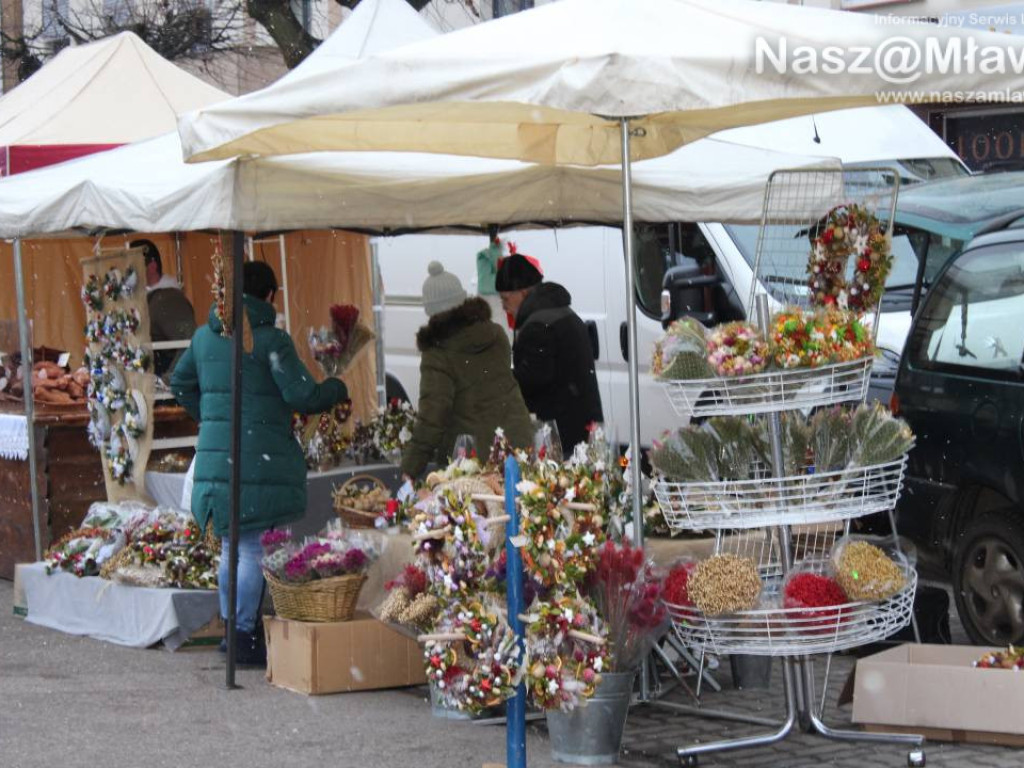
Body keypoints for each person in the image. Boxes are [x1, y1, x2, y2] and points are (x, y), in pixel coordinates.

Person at [171, 261, 347, 666]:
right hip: (258, 458)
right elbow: (303, 396)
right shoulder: (269, 342)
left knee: (232, 546)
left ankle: (233, 630)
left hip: (219, 455)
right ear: (269, 296)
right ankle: (245, 635)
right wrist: (336, 386)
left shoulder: (203, 337)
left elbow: (180, 383)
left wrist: (212, 417)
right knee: (250, 548)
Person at [400, 261, 533, 480]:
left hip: (472, 460)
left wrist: (410, 469)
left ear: (431, 311)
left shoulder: (438, 352)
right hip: (516, 444)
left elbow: (432, 417)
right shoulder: (496, 333)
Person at [496, 252, 603, 453]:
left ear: (524, 293)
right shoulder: (559, 311)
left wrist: (501, 380)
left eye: (506, 298)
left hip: (562, 429)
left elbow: (534, 378)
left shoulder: (537, 326)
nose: (504, 306)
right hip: (582, 419)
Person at [130, 239, 196, 379]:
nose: (130, 274)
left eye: (134, 267)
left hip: (165, 392)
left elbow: (189, 341)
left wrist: (168, 380)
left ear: (152, 267)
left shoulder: (169, 300)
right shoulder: (152, 298)